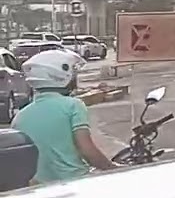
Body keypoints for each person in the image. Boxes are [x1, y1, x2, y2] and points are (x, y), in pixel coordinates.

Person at [12, 48, 116, 183]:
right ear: (61, 75)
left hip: (39, 189)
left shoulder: (20, 117)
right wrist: (113, 169)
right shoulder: (73, 105)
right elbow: (86, 150)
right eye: (73, 72)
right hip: (75, 183)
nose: (75, 77)